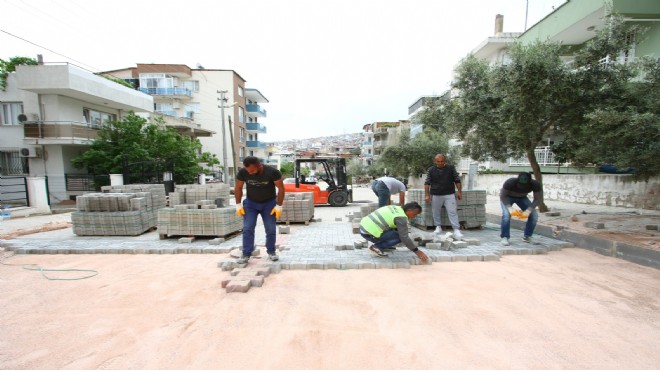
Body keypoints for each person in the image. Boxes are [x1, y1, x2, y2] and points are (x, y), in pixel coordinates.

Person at [234, 156, 285, 263]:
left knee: (270, 229)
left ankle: (271, 251)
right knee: (247, 228)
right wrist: (238, 204)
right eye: (248, 170)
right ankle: (246, 253)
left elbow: (281, 189)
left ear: (259, 166)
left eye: (252, 170)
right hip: (251, 204)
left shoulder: (272, 172)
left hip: (269, 204)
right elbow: (238, 187)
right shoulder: (243, 172)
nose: (250, 173)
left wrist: (279, 206)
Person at [359, 202, 429, 262]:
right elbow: (404, 237)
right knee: (399, 237)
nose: (414, 217)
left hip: (363, 227)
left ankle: (386, 244)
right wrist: (417, 251)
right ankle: (376, 247)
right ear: (409, 210)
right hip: (369, 233)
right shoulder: (401, 218)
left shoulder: (395, 208)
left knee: (396, 231)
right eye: (414, 214)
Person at [424, 154, 463, 240]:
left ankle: (456, 229)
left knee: (452, 211)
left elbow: (457, 180)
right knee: (435, 212)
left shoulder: (451, 168)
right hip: (436, 194)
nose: (440, 163)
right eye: (438, 161)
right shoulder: (431, 170)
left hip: (449, 194)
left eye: (442, 161)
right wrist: (427, 195)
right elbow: (427, 183)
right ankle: (438, 227)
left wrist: (459, 192)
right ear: (435, 161)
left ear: (445, 161)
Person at [499, 172, 543, 245]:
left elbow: (538, 199)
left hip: (522, 198)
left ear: (530, 182)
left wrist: (528, 211)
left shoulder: (535, 184)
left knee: (534, 215)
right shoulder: (510, 182)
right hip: (507, 197)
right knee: (506, 215)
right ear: (518, 180)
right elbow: (503, 196)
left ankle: (527, 236)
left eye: (524, 185)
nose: (522, 186)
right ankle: (505, 237)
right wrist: (510, 208)